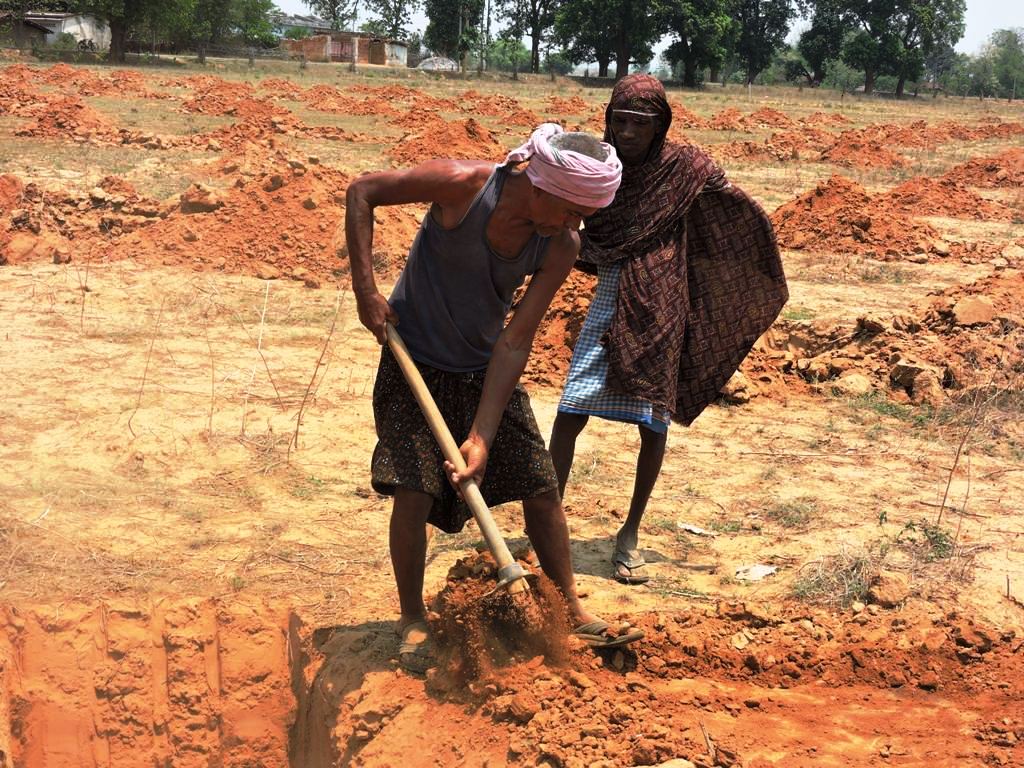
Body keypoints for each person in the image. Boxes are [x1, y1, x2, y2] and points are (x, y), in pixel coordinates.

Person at [345, 123, 641, 673]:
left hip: (484, 368)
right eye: (570, 211)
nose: (573, 225)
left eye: (582, 216)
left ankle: (570, 608)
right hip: (414, 361)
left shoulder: (561, 245)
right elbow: (363, 191)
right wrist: (367, 291)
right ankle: (411, 617)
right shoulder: (462, 185)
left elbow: (515, 340)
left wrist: (481, 435)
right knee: (414, 489)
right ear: (542, 184)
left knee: (541, 485)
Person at [549, 74, 789, 585]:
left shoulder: (686, 168)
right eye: (620, 121)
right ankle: (547, 522)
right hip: (611, 295)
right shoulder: (603, 166)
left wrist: (748, 242)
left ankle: (630, 533)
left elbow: (730, 205)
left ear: (660, 126)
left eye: (640, 124)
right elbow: (567, 204)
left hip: (663, 303)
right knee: (570, 411)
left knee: (652, 422)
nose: (628, 132)